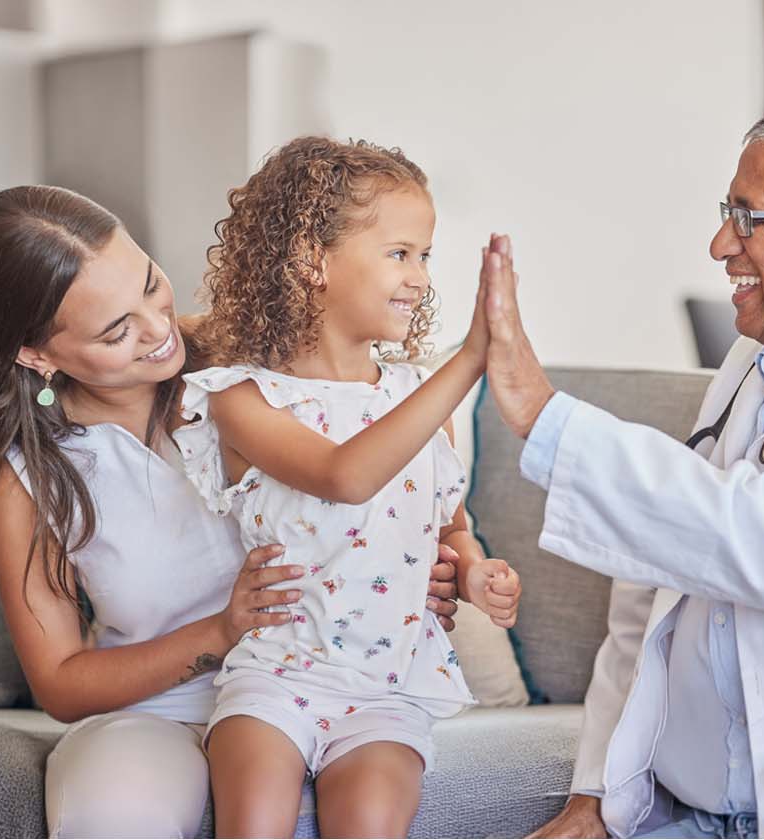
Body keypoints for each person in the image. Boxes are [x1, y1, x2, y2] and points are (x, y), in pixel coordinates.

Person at [0, 184, 464, 837]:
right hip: (161, 712)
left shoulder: (253, 359)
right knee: (111, 818)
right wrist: (218, 632)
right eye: (117, 329)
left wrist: (431, 565)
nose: (158, 331)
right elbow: (61, 684)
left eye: (151, 285)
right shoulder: (29, 483)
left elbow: (384, 444)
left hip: (331, 682)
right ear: (38, 356)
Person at [486, 96, 764, 838]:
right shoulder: (758, 360)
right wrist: (596, 796)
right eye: (729, 212)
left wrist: (543, 415)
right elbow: (652, 583)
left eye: (750, 218)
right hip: (687, 816)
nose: (721, 243)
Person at [179, 136, 521, 837]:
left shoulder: (419, 400)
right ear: (312, 260)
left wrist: (475, 569)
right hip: (275, 678)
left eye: (425, 256)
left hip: (388, 692)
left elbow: (449, 523)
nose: (420, 278)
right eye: (399, 254)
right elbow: (345, 476)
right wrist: (472, 359)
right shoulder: (246, 398)